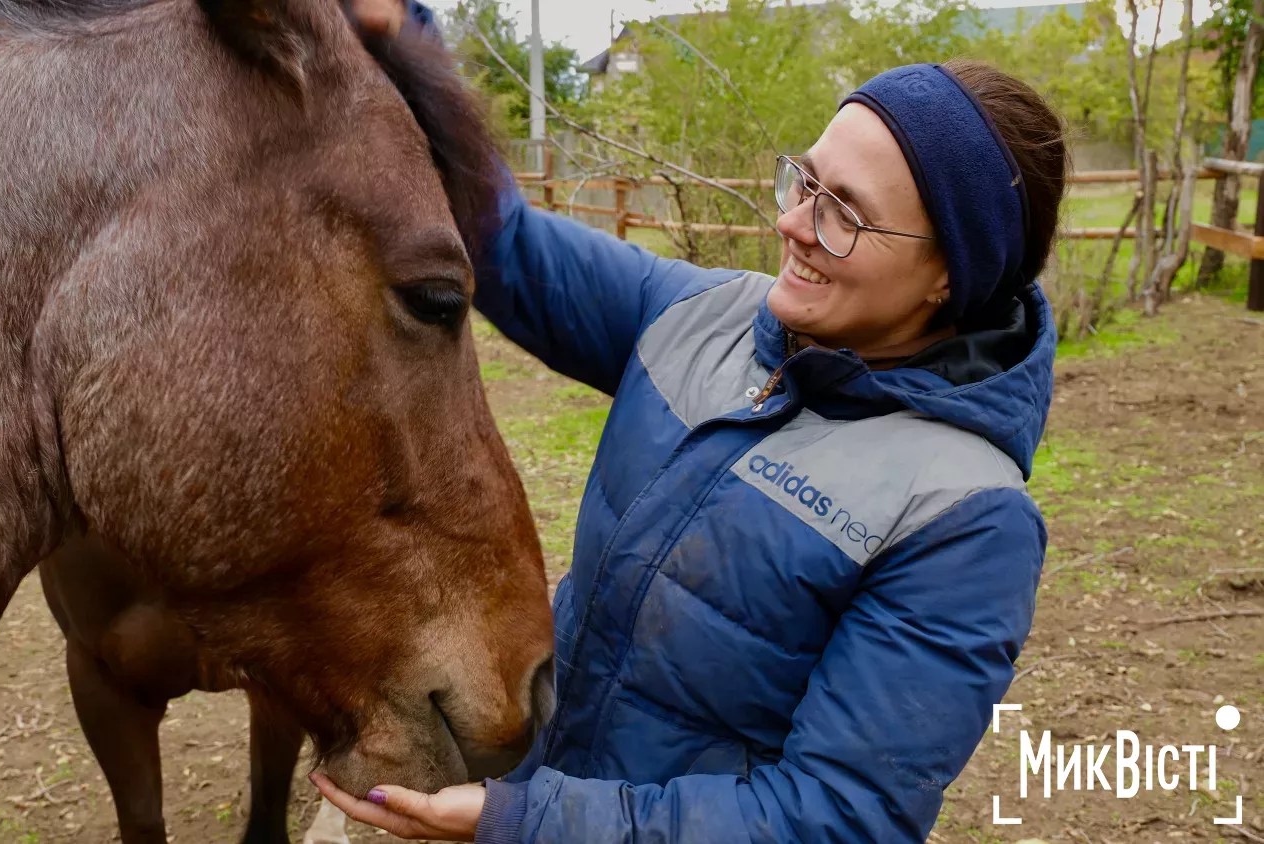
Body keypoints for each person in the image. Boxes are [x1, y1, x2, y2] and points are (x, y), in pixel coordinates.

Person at [315, 3, 1066, 841]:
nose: (792, 224)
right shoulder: (699, 316)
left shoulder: (965, 520)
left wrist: (526, 823)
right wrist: (401, 32)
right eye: (804, 181)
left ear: (947, 279)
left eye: (843, 215)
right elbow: (506, 241)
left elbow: (839, 819)